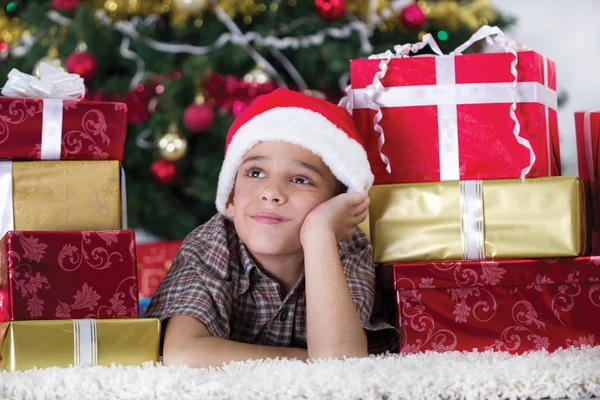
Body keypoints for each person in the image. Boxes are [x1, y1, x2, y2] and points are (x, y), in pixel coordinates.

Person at [145, 88, 399, 368]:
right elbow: (183, 355)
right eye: (255, 173)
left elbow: (341, 366)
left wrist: (319, 234)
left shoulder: (346, 246)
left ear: (337, 207)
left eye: (301, 180)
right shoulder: (209, 245)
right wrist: (311, 360)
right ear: (230, 198)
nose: (271, 192)